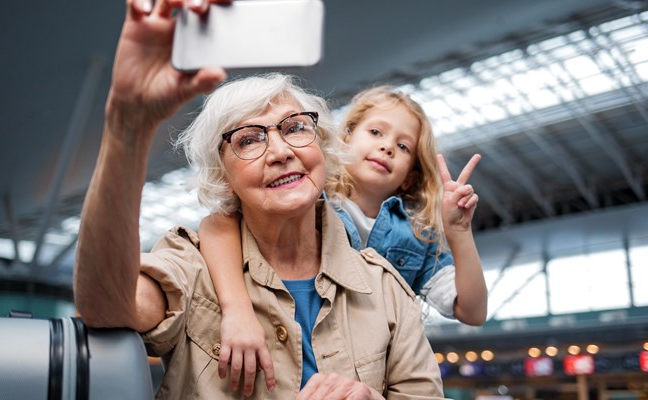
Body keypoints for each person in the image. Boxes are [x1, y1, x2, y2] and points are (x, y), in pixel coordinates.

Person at [73, 0, 444, 398]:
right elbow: (108, 306)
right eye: (249, 139)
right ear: (224, 177)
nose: (281, 151)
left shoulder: (386, 288)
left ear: (323, 149)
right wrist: (127, 127)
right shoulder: (193, 268)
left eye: (296, 127)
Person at [198, 87, 489, 391]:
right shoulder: (308, 199)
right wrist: (237, 308)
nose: (387, 147)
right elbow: (218, 224)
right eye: (376, 132)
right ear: (344, 139)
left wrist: (458, 232)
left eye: (403, 147)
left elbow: (472, 311)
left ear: (410, 177)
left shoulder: (417, 236)